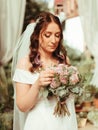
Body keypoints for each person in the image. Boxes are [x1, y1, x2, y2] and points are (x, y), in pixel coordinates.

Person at [12, 11, 78, 130]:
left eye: (57, 35)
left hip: (65, 121)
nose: (54, 40)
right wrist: (38, 84)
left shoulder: (64, 60)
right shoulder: (25, 63)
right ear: (37, 35)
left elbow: (70, 98)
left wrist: (73, 85)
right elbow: (22, 106)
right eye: (48, 35)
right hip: (40, 123)